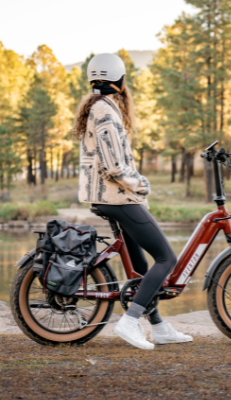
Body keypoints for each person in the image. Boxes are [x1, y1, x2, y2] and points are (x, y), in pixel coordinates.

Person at [73, 53, 192, 350]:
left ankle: (159, 328)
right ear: (120, 82)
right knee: (167, 258)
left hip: (111, 197)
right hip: (117, 197)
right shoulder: (105, 112)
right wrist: (142, 185)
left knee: (139, 268)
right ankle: (129, 321)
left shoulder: (98, 107)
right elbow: (114, 167)